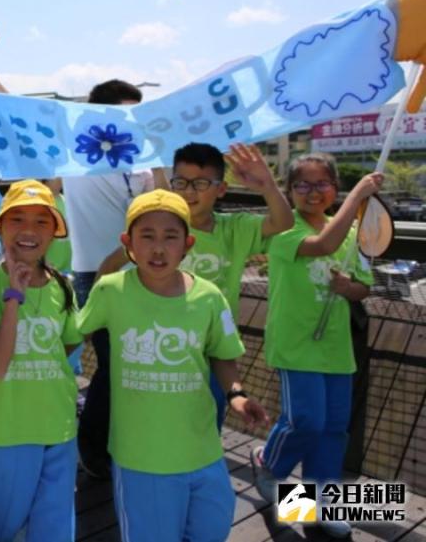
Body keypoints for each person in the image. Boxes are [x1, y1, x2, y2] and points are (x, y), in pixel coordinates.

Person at [77, 189, 268, 542]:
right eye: (146, 236)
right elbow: (72, 338)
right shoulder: (110, 291)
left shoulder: (210, 296)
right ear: (127, 243)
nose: (159, 248)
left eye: (170, 237)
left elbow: (222, 353)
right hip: (140, 460)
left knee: (212, 528)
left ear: (188, 244)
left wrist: (236, 395)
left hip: (203, 450)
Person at [250, 154, 382, 539]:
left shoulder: (353, 235)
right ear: (290, 192)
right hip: (296, 346)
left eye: (321, 183)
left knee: (332, 429)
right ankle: (268, 463)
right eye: (302, 185)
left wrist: (349, 289)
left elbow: (364, 285)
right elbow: (324, 244)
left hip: (335, 348)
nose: (312, 191)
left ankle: (315, 505)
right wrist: (360, 194)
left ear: (333, 188)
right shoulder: (285, 232)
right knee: (306, 420)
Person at [0, 179, 81, 541]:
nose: (29, 231)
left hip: (59, 426)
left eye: (41, 221)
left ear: (54, 233)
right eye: (17, 219)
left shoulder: (63, 287)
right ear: (0, 228)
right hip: (9, 430)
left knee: (55, 526)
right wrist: (13, 295)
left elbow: (65, 348)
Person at [167, 142, 293, 430]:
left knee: (209, 420)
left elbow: (283, 224)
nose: (189, 191)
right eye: (181, 182)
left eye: (200, 183)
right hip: (168, 341)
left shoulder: (233, 228)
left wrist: (267, 186)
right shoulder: (161, 229)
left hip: (215, 345)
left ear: (220, 189)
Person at [65, 79, 153, 478]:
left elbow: (164, 210)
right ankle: (93, 447)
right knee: (115, 363)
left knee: (136, 361)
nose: (132, 121)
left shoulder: (144, 162)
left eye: (137, 113)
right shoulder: (73, 152)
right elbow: (14, 113)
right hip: (93, 272)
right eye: (124, 112)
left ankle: (124, 441)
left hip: (145, 273)